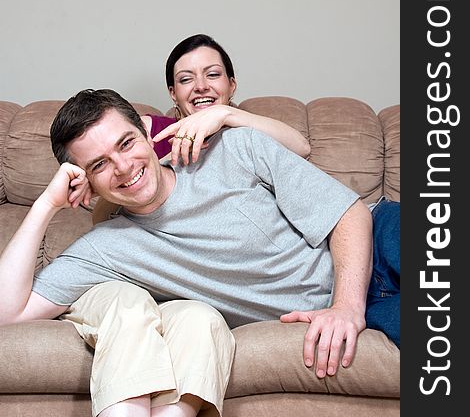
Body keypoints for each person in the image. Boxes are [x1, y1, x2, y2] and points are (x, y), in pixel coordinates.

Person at [0, 88, 373, 415]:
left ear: (147, 132)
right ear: (85, 181)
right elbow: (9, 312)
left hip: (381, 249)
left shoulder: (237, 149)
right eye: (99, 164)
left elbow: (350, 213)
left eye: (126, 143)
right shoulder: (106, 248)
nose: (123, 166)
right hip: (365, 304)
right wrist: (46, 204)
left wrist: (346, 306)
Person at [93, 33, 310, 223]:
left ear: (231, 85)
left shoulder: (245, 132)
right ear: (173, 93)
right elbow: (101, 216)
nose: (201, 86)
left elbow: (301, 148)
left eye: (213, 74)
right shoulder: (151, 133)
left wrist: (225, 113)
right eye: (186, 79)